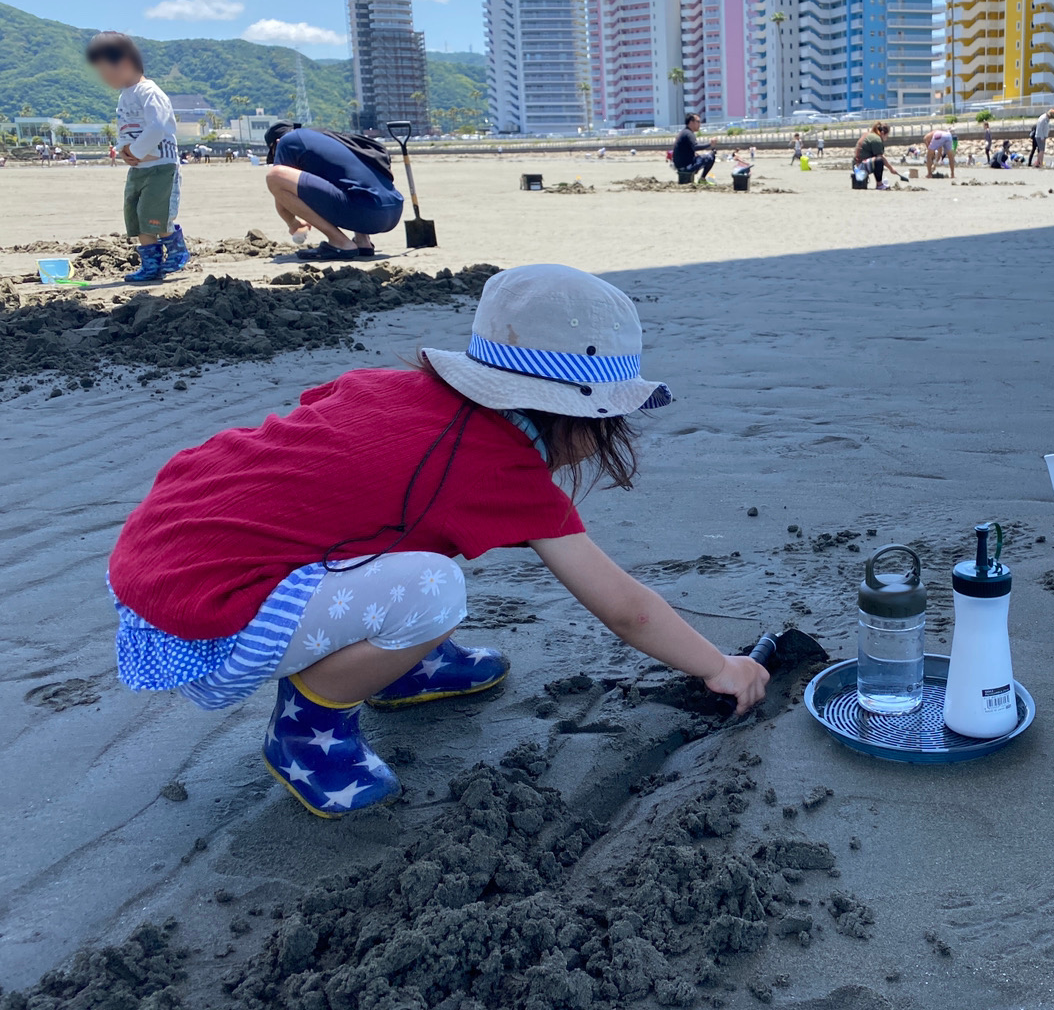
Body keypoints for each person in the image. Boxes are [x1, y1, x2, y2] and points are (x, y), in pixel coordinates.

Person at [106, 265, 771, 819]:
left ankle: (399, 667)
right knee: (431, 588)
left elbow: (335, 468)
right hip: (204, 616)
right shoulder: (496, 469)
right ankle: (306, 732)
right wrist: (718, 665)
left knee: (406, 538)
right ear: (582, 417)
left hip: (159, 554)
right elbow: (625, 607)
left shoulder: (389, 390)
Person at [86, 32, 188, 282]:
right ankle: (150, 264)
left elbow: (159, 126)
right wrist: (123, 149)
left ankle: (177, 250)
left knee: (157, 212)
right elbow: (124, 128)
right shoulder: (125, 96)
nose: (104, 78)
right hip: (139, 168)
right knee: (138, 214)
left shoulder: (149, 92)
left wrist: (137, 150)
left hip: (160, 166)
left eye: (106, 71)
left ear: (125, 63)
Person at [265, 123, 405, 260]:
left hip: (366, 211)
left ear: (276, 143)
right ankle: (363, 241)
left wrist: (293, 224)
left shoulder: (286, 141)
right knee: (347, 179)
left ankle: (339, 242)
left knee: (275, 176)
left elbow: (279, 192)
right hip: (393, 212)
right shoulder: (328, 137)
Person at [854, 122, 906, 189]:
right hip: (860, 168)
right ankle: (879, 185)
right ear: (882, 133)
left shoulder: (869, 135)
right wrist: (891, 169)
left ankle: (879, 184)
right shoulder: (876, 139)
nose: (887, 138)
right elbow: (880, 157)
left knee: (879, 159)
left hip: (856, 165)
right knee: (879, 161)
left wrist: (890, 168)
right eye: (887, 135)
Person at [673, 113, 716, 182]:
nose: (700, 124)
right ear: (691, 122)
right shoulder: (689, 133)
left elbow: (686, 149)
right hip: (686, 167)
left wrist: (694, 154)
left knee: (701, 157)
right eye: (698, 122)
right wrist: (710, 144)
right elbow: (695, 147)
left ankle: (699, 177)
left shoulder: (684, 132)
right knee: (710, 156)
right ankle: (702, 179)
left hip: (681, 166)